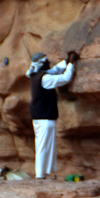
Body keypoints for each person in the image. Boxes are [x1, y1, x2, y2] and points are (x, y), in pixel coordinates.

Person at [28, 51, 77, 179]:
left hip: (39, 117)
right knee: (43, 147)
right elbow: (65, 78)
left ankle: (43, 174)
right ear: (43, 64)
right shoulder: (44, 78)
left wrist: (66, 61)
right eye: (47, 62)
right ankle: (39, 175)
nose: (49, 63)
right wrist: (71, 64)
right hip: (44, 118)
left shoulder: (35, 75)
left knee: (43, 145)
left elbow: (54, 70)